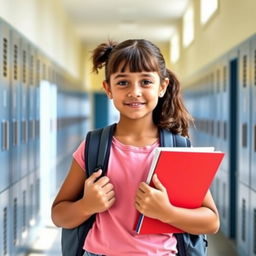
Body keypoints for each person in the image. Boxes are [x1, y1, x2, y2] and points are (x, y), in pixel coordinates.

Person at [51, 39, 220, 256]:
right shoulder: (93, 146)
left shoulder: (178, 149)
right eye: (123, 83)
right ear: (108, 89)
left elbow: (211, 221)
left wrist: (167, 212)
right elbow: (58, 215)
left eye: (146, 82)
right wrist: (86, 205)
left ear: (162, 87)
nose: (135, 91)